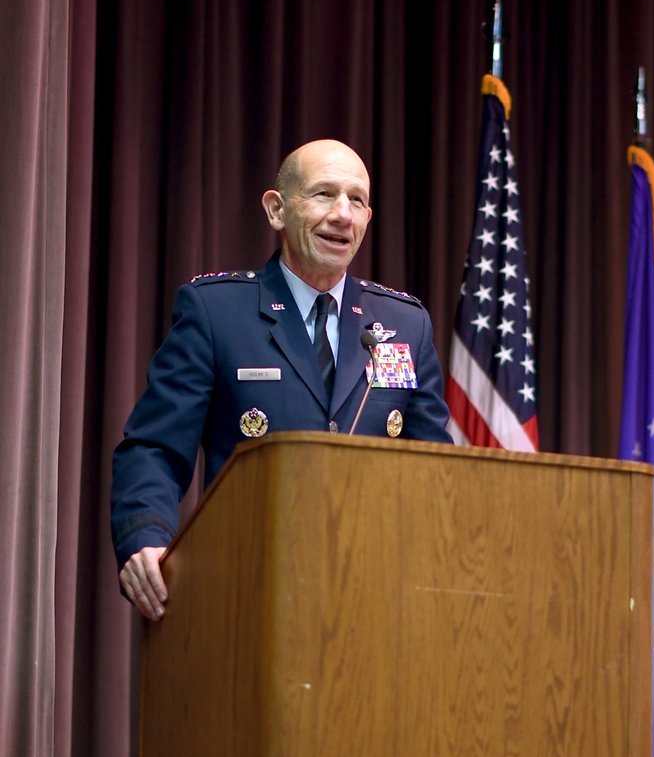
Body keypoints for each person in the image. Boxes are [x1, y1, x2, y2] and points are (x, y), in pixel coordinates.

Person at [112, 138, 452, 620]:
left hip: (377, 600)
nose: (342, 214)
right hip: (248, 589)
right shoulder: (217, 312)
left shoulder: (404, 323)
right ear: (276, 209)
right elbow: (154, 447)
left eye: (357, 200)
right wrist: (145, 538)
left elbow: (438, 471)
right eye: (323, 194)